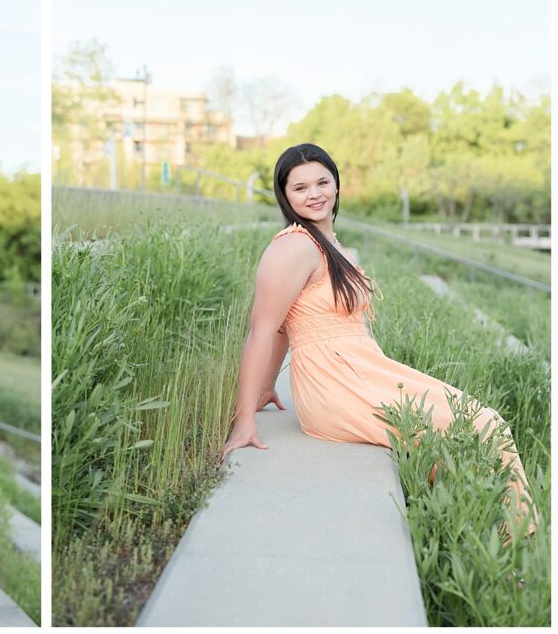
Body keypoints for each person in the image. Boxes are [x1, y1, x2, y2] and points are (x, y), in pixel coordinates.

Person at [222, 143, 536, 535]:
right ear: (284, 195)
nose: (315, 193)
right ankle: (513, 552)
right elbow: (263, 329)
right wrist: (245, 418)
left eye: (323, 181)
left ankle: (499, 542)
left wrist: (269, 385)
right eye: (300, 187)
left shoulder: (328, 243)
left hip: (364, 369)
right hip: (334, 384)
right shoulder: (293, 247)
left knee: (486, 423)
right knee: (483, 427)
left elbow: (287, 325)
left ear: (337, 184)